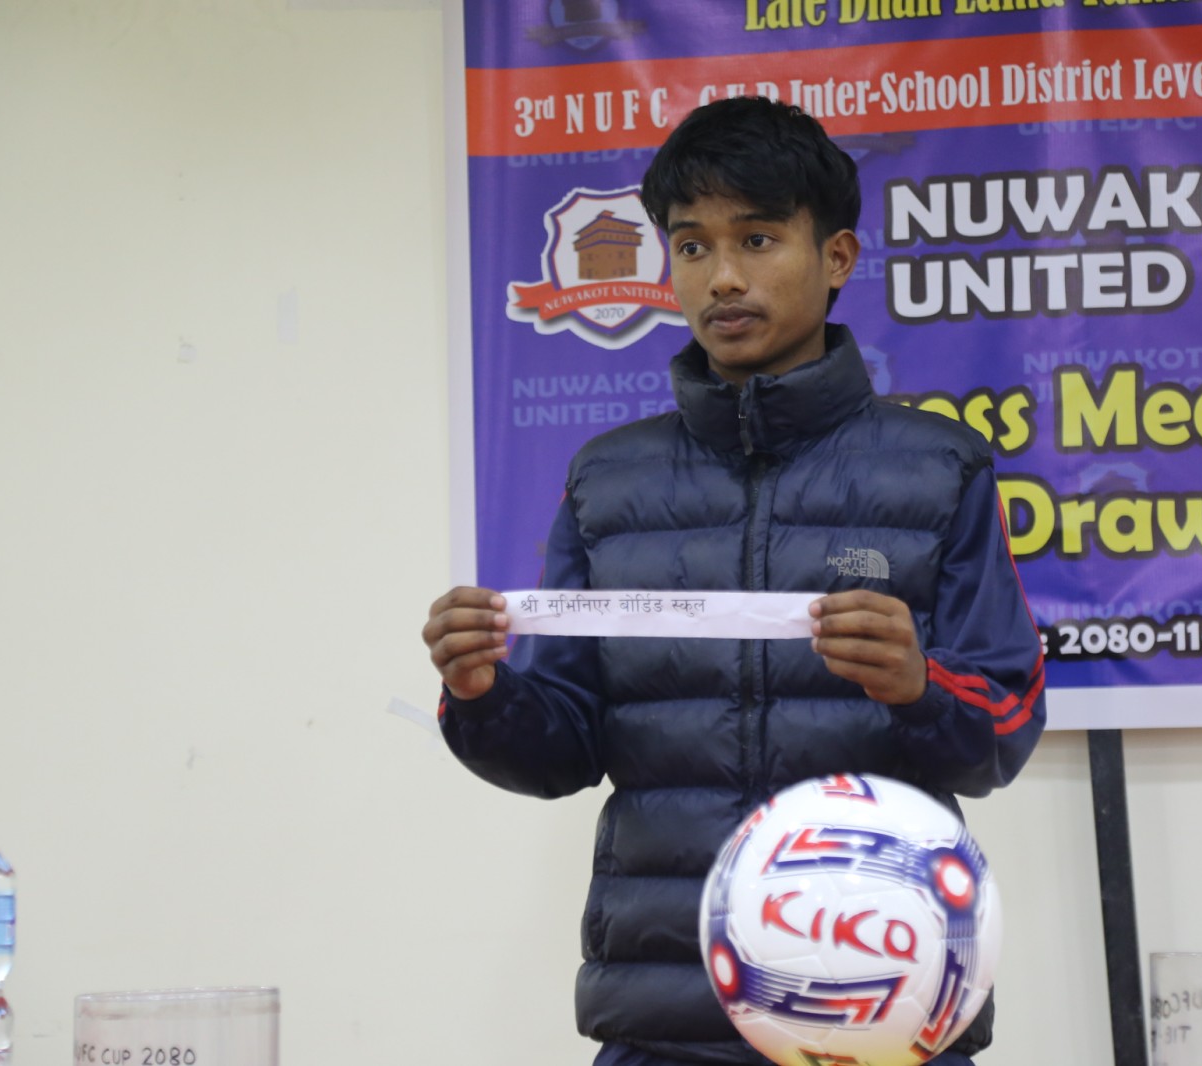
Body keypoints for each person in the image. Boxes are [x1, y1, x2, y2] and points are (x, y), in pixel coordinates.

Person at [424, 96, 1047, 1066]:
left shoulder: (941, 470)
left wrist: (919, 687)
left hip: (884, 1004)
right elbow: (562, 746)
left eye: (756, 239)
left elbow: (1000, 730)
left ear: (836, 257)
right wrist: (481, 694)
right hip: (667, 1016)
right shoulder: (607, 480)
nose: (721, 277)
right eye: (691, 246)